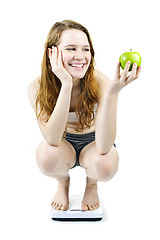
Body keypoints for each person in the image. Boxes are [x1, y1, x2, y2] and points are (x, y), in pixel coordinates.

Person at [28, 20, 141, 211]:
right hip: (62, 143)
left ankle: (92, 184)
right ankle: (63, 183)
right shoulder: (37, 87)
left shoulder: (99, 81)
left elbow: (105, 147)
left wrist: (113, 93)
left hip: (94, 143)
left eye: (86, 49)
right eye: (71, 48)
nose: (81, 57)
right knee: (47, 155)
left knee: (106, 164)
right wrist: (66, 83)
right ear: (52, 53)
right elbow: (52, 139)